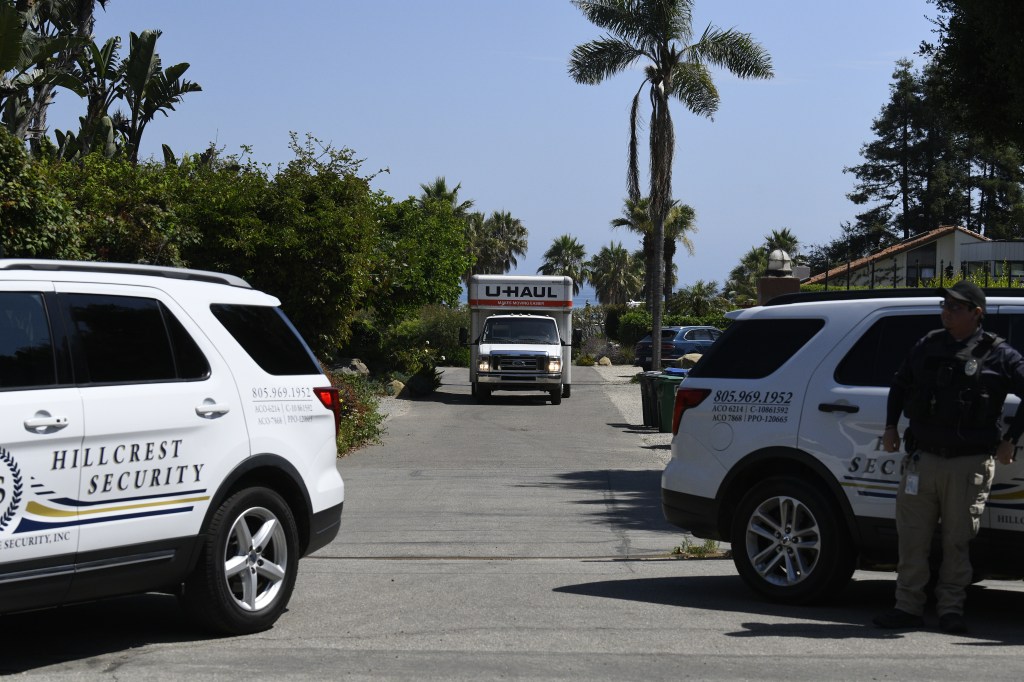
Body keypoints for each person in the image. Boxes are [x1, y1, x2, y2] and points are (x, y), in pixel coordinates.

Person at [873, 281, 1024, 634]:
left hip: (968, 464)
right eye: (945, 305)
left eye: (956, 307)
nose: (947, 312)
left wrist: (1010, 440)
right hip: (922, 460)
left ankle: (950, 611)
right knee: (912, 539)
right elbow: (900, 384)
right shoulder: (928, 344)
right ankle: (907, 607)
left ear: (977, 313)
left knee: (957, 541)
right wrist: (891, 428)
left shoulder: (999, 354)